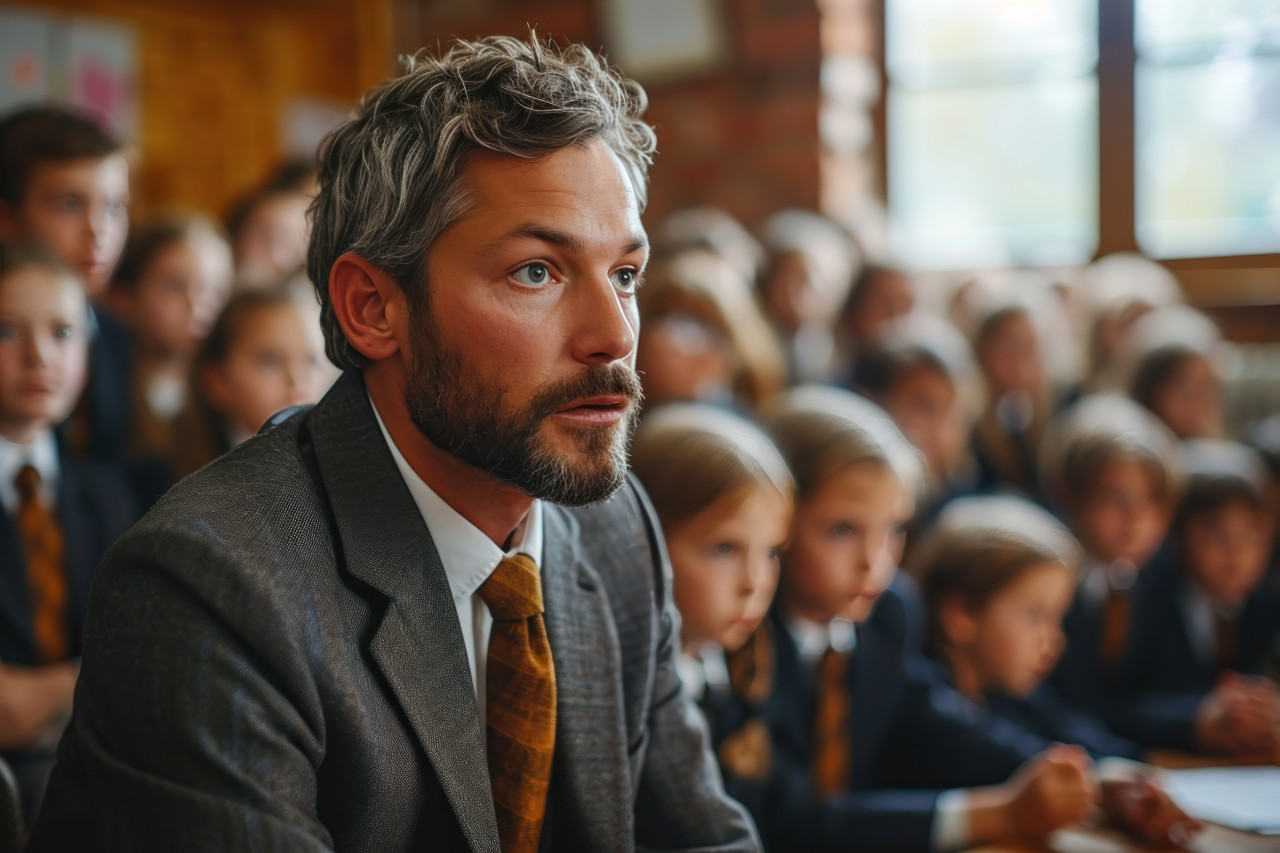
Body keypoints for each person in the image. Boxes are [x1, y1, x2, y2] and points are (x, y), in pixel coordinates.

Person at [29, 35, 759, 852]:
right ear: (372, 307)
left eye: (625, 273)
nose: (614, 335)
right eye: (537, 272)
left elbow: (702, 837)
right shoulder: (211, 585)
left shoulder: (619, 529)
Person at [737, 386, 1101, 853]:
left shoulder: (889, 613)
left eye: (895, 529)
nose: (875, 562)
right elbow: (786, 822)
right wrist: (995, 813)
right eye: (843, 529)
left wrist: (1088, 780)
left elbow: (933, 721)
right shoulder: (744, 642)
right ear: (778, 524)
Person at [910, 495, 1200, 848]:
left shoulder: (1006, 694)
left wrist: (1132, 776)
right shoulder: (924, 697)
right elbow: (1007, 754)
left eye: (1057, 619)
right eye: (1035, 615)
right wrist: (1100, 783)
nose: (1054, 641)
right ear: (961, 615)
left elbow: (1075, 731)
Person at [1042, 395, 1272, 757]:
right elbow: (1075, 706)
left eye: (1150, 501)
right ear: (1068, 496)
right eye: (1114, 499)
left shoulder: (1143, 580)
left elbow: (1147, 692)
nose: (1135, 520)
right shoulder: (1051, 587)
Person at [0, 241, 134, 826]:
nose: (39, 357)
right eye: (6, 332)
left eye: (62, 333)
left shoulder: (108, 495)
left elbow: (142, 666)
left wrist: (44, 692)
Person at [0, 105, 133, 467]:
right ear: (6, 217)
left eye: (114, 207)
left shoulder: (121, 339)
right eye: (69, 204)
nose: (97, 231)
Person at [107, 212, 233, 506]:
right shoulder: (107, 395)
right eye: (174, 286)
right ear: (126, 298)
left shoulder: (231, 396)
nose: (198, 305)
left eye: (217, 289)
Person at [170, 290, 328, 479]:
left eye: (312, 361)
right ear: (216, 380)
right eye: (270, 360)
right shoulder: (165, 475)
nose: (297, 380)